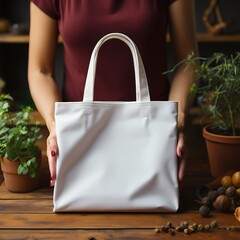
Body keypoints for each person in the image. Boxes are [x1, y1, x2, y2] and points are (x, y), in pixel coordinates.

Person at [28, 0, 198, 187]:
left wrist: (176, 124)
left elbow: (188, 64)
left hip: (152, 139)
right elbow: (40, 70)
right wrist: (56, 127)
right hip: (80, 138)